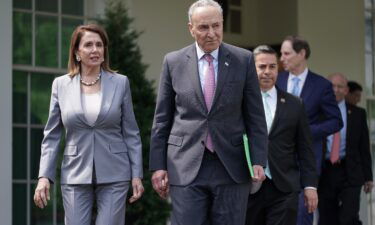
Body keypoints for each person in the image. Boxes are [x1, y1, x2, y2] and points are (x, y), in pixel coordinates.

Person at [149, 1, 268, 224]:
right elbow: (162, 119)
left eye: (216, 26)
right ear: (191, 28)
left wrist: (258, 160)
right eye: (204, 27)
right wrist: (158, 166)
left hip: (232, 166)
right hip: (185, 164)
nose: (211, 33)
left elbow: (256, 117)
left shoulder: (243, 60)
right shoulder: (173, 62)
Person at [33, 24, 144, 225]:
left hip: (115, 171)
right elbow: (52, 135)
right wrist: (44, 177)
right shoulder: (61, 85)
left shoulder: (120, 83)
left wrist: (136, 174)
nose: (95, 50)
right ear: (77, 52)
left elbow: (131, 132)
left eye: (99, 45)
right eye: (89, 45)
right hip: (75, 172)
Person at [246, 45, 318, 225]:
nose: (268, 72)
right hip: (248, 186)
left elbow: (305, 149)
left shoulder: (295, 104)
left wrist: (310, 186)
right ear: (251, 68)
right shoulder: (239, 102)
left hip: (284, 187)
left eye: (272, 66)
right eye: (262, 66)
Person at [276, 35, 343, 225]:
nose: (282, 58)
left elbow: (336, 121)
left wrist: (306, 131)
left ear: (302, 54)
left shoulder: (321, 85)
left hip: (307, 162)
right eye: (281, 54)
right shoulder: (277, 81)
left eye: (287, 53)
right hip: (277, 160)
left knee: (302, 216)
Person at [318, 73, 373, 225]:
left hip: (350, 171)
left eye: (340, 86)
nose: (335, 90)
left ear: (346, 90)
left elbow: (364, 147)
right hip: (325, 172)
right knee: (327, 218)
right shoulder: (317, 112)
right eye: (332, 86)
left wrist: (368, 177)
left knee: (348, 217)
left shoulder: (358, 113)